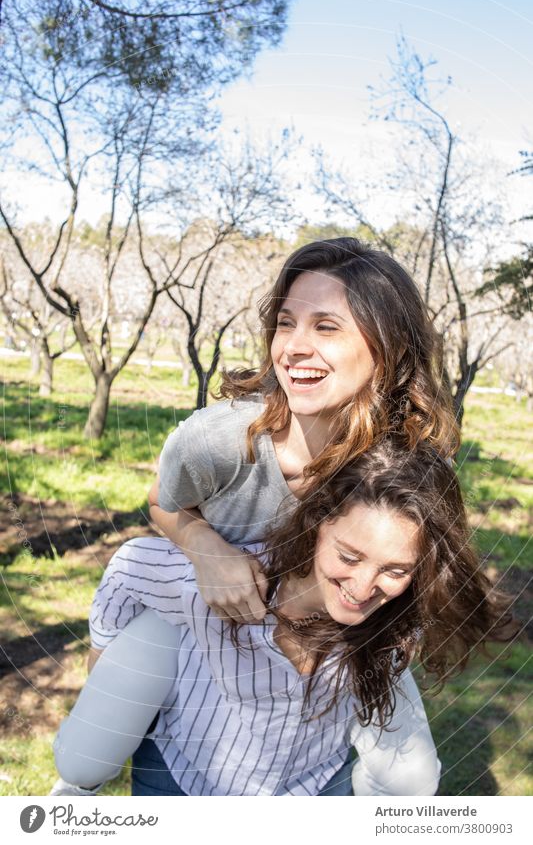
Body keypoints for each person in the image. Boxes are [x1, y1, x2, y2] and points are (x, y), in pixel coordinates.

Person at [50, 236, 460, 795]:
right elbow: (162, 503)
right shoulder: (220, 440)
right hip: (206, 635)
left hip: (325, 646)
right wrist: (207, 550)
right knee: (93, 755)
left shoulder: (399, 464)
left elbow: (414, 559)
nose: (293, 346)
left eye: (326, 326)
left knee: (413, 781)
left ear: (388, 345)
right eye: (286, 323)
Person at [52, 438, 513, 796]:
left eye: (394, 570)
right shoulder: (232, 577)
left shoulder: (398, 609)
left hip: (310, 785)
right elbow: (131, 566)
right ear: (319, 522)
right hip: (189, 780)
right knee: (83, 762)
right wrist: (104, 654)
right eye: (349, 556)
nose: (363, 587)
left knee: (416, 781)